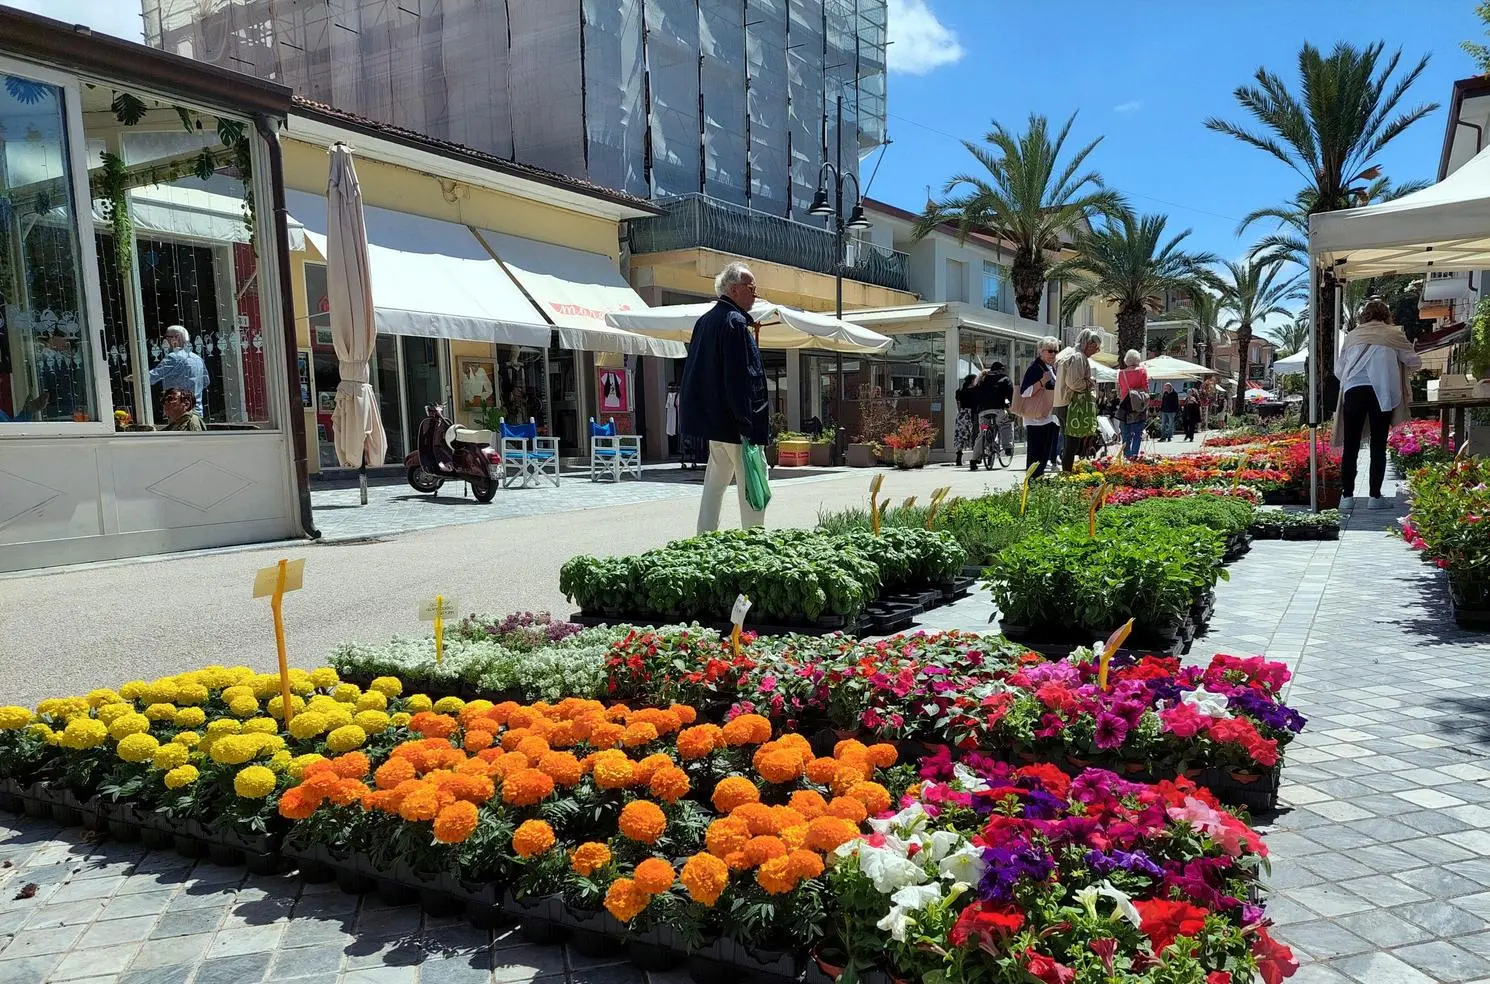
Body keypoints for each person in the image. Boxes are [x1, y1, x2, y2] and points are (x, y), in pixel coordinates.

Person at [680, 262, 770, 531]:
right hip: (736, 424)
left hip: (714, 424)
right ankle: (755, 540)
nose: (755, 293)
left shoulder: (705, 321)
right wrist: (747, 423)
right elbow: (741, 378)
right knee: (753, 483)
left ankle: (705, 538)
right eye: (751, 287)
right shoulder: (735, 322)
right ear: (734, 289)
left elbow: (696, 373)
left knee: (715, 484)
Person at [1332, 298, 1422, 511]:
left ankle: (1346, 497)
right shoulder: (1394, 334)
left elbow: (1339, 370)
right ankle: (1374, 496)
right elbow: (1414, 362)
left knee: (1351, 445)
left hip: (1353, 391)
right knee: (1378, 445)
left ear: (1364, 315)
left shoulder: (1353, 335)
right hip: (1381, 393)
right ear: (1386, 315)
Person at [1011, 337, 1060, 479]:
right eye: (1050, 351)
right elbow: (1025, 392)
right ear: (1041, 352)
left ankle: (1038, 480)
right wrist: (1042, 381)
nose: (1053, 354)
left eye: (1055, 351)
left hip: (1048, 416)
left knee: (1044, 453)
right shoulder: (1035, 368)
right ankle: (1032, 482)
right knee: (1035, 453)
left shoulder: (1051, 368)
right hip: (1036, 418)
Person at [1053, 328, 1102, 472]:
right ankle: (1067, 472)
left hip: (1062, 402)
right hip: (1071, 404)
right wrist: (1090, 382)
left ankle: (1067, 471)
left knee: (1070, 442)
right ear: (1089, 343)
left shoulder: (1069, 353)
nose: (1096, 351)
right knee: (1072, 442)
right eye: (1095, 347)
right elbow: (1074, 383)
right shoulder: (1078, 356)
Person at [138, 325, 210, 419]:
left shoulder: (173, 357)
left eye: (168, 337)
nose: (166, 341)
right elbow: (206, 382)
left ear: (177, 337)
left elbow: (151, 378)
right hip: (197, 412)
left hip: (178, 412)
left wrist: (135, 377)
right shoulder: (197, 359)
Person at [968, 362, 1014, 471]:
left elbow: (974, 395)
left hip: (983, 413)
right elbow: (1010, 395)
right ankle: (1007, 447)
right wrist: (1010, 406)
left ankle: (974, 459)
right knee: (1005, 424)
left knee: (982, 432)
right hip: (998, 411)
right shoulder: (1005, 378)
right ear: (1002, 369)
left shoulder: (981, 379)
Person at [1116, 349, 1149, 458]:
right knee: (1137, 434)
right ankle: (1134, 455)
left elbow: (1120, 390)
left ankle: (1126, 456)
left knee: (1126, 434)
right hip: (1138, 405)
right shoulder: (1142, 371)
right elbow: (1146, 388)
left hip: (1125, 405)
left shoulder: (1121, 373)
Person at [953, 373, 977, 467]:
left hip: (962, 414)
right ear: (972, 380)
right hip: (973, 414)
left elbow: (958, 404)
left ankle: (959, 455)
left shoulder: (959, 391)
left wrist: (960, 413)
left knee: (960, 434)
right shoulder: (975, 390)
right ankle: (976, 456)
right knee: (975, 434)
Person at [664, 381, 680, 459]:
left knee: (675, 430)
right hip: (671, 415)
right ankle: (673, 449)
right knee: (671, 431)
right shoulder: (669, 395)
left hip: (676, 415)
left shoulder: (677, 395)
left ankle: (676, 449)